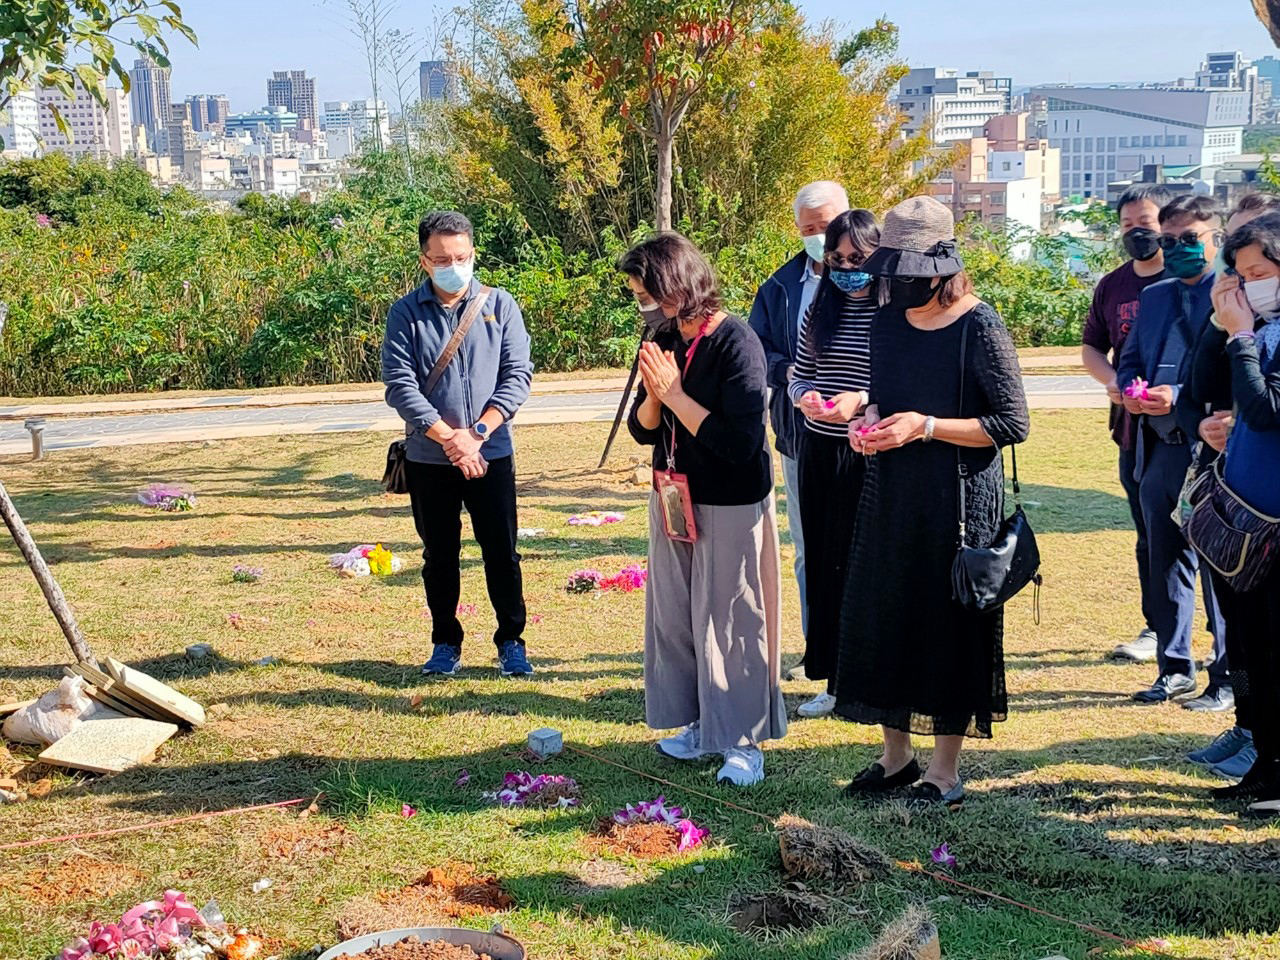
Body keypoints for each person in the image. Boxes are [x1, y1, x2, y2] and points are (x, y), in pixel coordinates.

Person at [837, 197, 1030, 805]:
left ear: (945, 266)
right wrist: (865, 422)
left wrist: (925, 426)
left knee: (949, 626)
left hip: (959, 500)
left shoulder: (981, 325)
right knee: (887, 614)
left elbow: (1010, 423)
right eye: (893, 270)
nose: (900, 282)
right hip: (891, 492)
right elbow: (881, 396)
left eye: (914, 271)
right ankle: (895, 758)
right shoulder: (887, 320)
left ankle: (944, 771)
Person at [625, 232, 787, 787]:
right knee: (675, 617)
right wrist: (654, 396)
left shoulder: (737, 341)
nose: (642, 305)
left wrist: (674, 396)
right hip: (673, 497)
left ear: (676, 286)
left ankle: (743, 741)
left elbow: (739, 442)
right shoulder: (664, 336)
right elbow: (641, 430)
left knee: (733, 619)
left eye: (646, 293)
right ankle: (697, 722)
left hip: (729, 501)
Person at [382, 211, 535, 678]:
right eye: (443, 258)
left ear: (473, 254)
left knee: (502, 552)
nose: (454, 265)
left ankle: (512, 641)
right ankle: (446, 642)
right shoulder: (405, 313)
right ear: (425, 261)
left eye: (462, 257)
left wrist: (478, 435)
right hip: (431, 457)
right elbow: (398, 384)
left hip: (491, 452)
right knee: (439, 556)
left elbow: (517, 376)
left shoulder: (500, 305)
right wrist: (450, 438)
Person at [1178, 193, 1280, 781]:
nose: (1245, 288)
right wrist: (1226, 328)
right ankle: (1259, 749)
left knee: (1270, 647)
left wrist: (1240, 335)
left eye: (1258, 276)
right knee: (1246, 646)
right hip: (1239, 516)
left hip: (1271, 523)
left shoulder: (1260, 335)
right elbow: (1200, 390)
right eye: (1238, 275)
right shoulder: (1251, 325)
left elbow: (1266, 410)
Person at [1116, 195, 1228, 705]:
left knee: (1220, 562)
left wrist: (1179, 396)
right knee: (1165, 556)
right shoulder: (1156, 296)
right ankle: (1174, 665)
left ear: (1215, 240)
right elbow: (1131, 356)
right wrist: (1131, 390)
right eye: (1170, 240)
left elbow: (1232, 372)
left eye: (1190, 239)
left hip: (1215, 451)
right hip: (1160, 446)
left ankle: (1226, 674)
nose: (1179, 248)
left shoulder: (1232, 294)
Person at [749, 181, 852, 680]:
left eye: (827, 226)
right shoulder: (779, 287)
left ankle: (863, 656)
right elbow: (758, 350)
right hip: (800, 433)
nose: (820, 238)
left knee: (862, 544)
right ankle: (822, 653)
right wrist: (790, 376)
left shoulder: (877, 278)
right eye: (809, 229)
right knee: (811, 549)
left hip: (866, 437)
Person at [786, 209, 880, 719]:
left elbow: (900, 384)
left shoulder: (893, 312)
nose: (845, 268)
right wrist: (807, 398)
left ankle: (867, 680)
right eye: (837, 259)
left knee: (862, 566)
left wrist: (860, 401)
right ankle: (834, 679)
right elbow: (797, 375)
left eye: (857, 259)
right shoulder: (818, 310)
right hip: (818, 450)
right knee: (824, 565)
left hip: (868, 455)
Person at [1081, 184, 1173, 663]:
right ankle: (1157, 628)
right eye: (1128, 226)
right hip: (1132, 432)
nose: (1138, 233)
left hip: (1187, 431)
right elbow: (1091, 347)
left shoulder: (1188, 281)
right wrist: (1112, 381)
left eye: (1147, 223)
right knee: (1148, 533)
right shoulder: (1112, 285)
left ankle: (1219, 644)